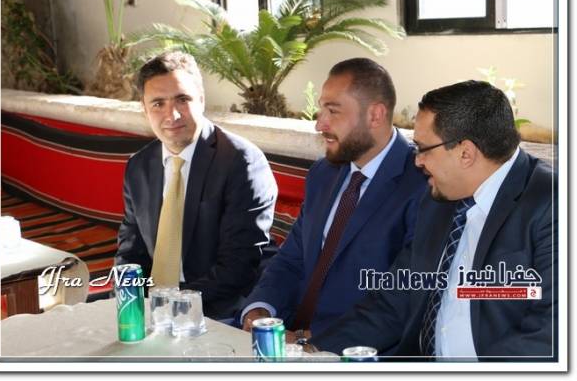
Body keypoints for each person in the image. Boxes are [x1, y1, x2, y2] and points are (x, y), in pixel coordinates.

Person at [310, 80, 557, 360]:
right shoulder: (437, 199)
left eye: (423, 148)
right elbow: (392, 303)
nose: (417, 161)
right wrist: (314, 353)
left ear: (465, 153)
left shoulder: (552, 205)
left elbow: (551, 332)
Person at [240, 58, 427, 343]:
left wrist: (310, 343)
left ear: (375, 115)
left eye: (333, 111)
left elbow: (400, 300)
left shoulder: (422, 184)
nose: (319, 124)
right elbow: (291, 258)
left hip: (349, 350)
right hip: (284, 333)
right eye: (321, 109)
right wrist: (260, 309)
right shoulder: (323, 173)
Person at [115, 51, 277, 320]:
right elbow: (131, 252)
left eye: (182, 99)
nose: (172, 115)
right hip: (154, 308)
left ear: (201, 99)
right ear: (144, 109)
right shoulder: (139, 166)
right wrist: (129, 302)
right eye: (158, 103)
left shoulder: (241, 162)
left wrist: (167, 306)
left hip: (218, 310)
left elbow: (237, 267)